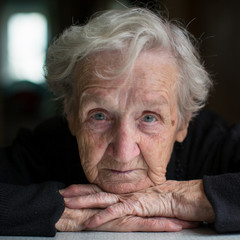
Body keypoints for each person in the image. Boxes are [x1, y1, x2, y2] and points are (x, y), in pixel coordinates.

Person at [0, 7, 240, 237]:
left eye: (149, 118)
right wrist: (63, 210)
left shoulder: (213, 142)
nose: (124, 153)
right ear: (71, 115)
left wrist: (177, 198)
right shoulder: (47, 146)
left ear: (183, 122)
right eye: (100, 116)